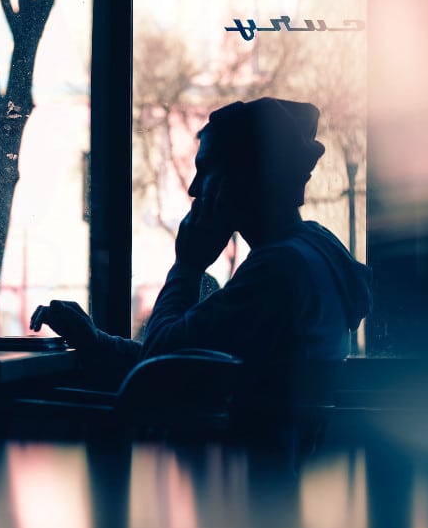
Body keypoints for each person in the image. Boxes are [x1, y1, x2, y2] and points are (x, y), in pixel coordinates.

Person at [31, 98, 373, 388]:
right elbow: (185, 354)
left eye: (206, 169)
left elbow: (158, 366)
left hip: (233, 461)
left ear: (247, 177)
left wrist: (188, 266)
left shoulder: (278, 270)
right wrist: (95, 341)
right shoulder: (312, 249)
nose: (194, 189)